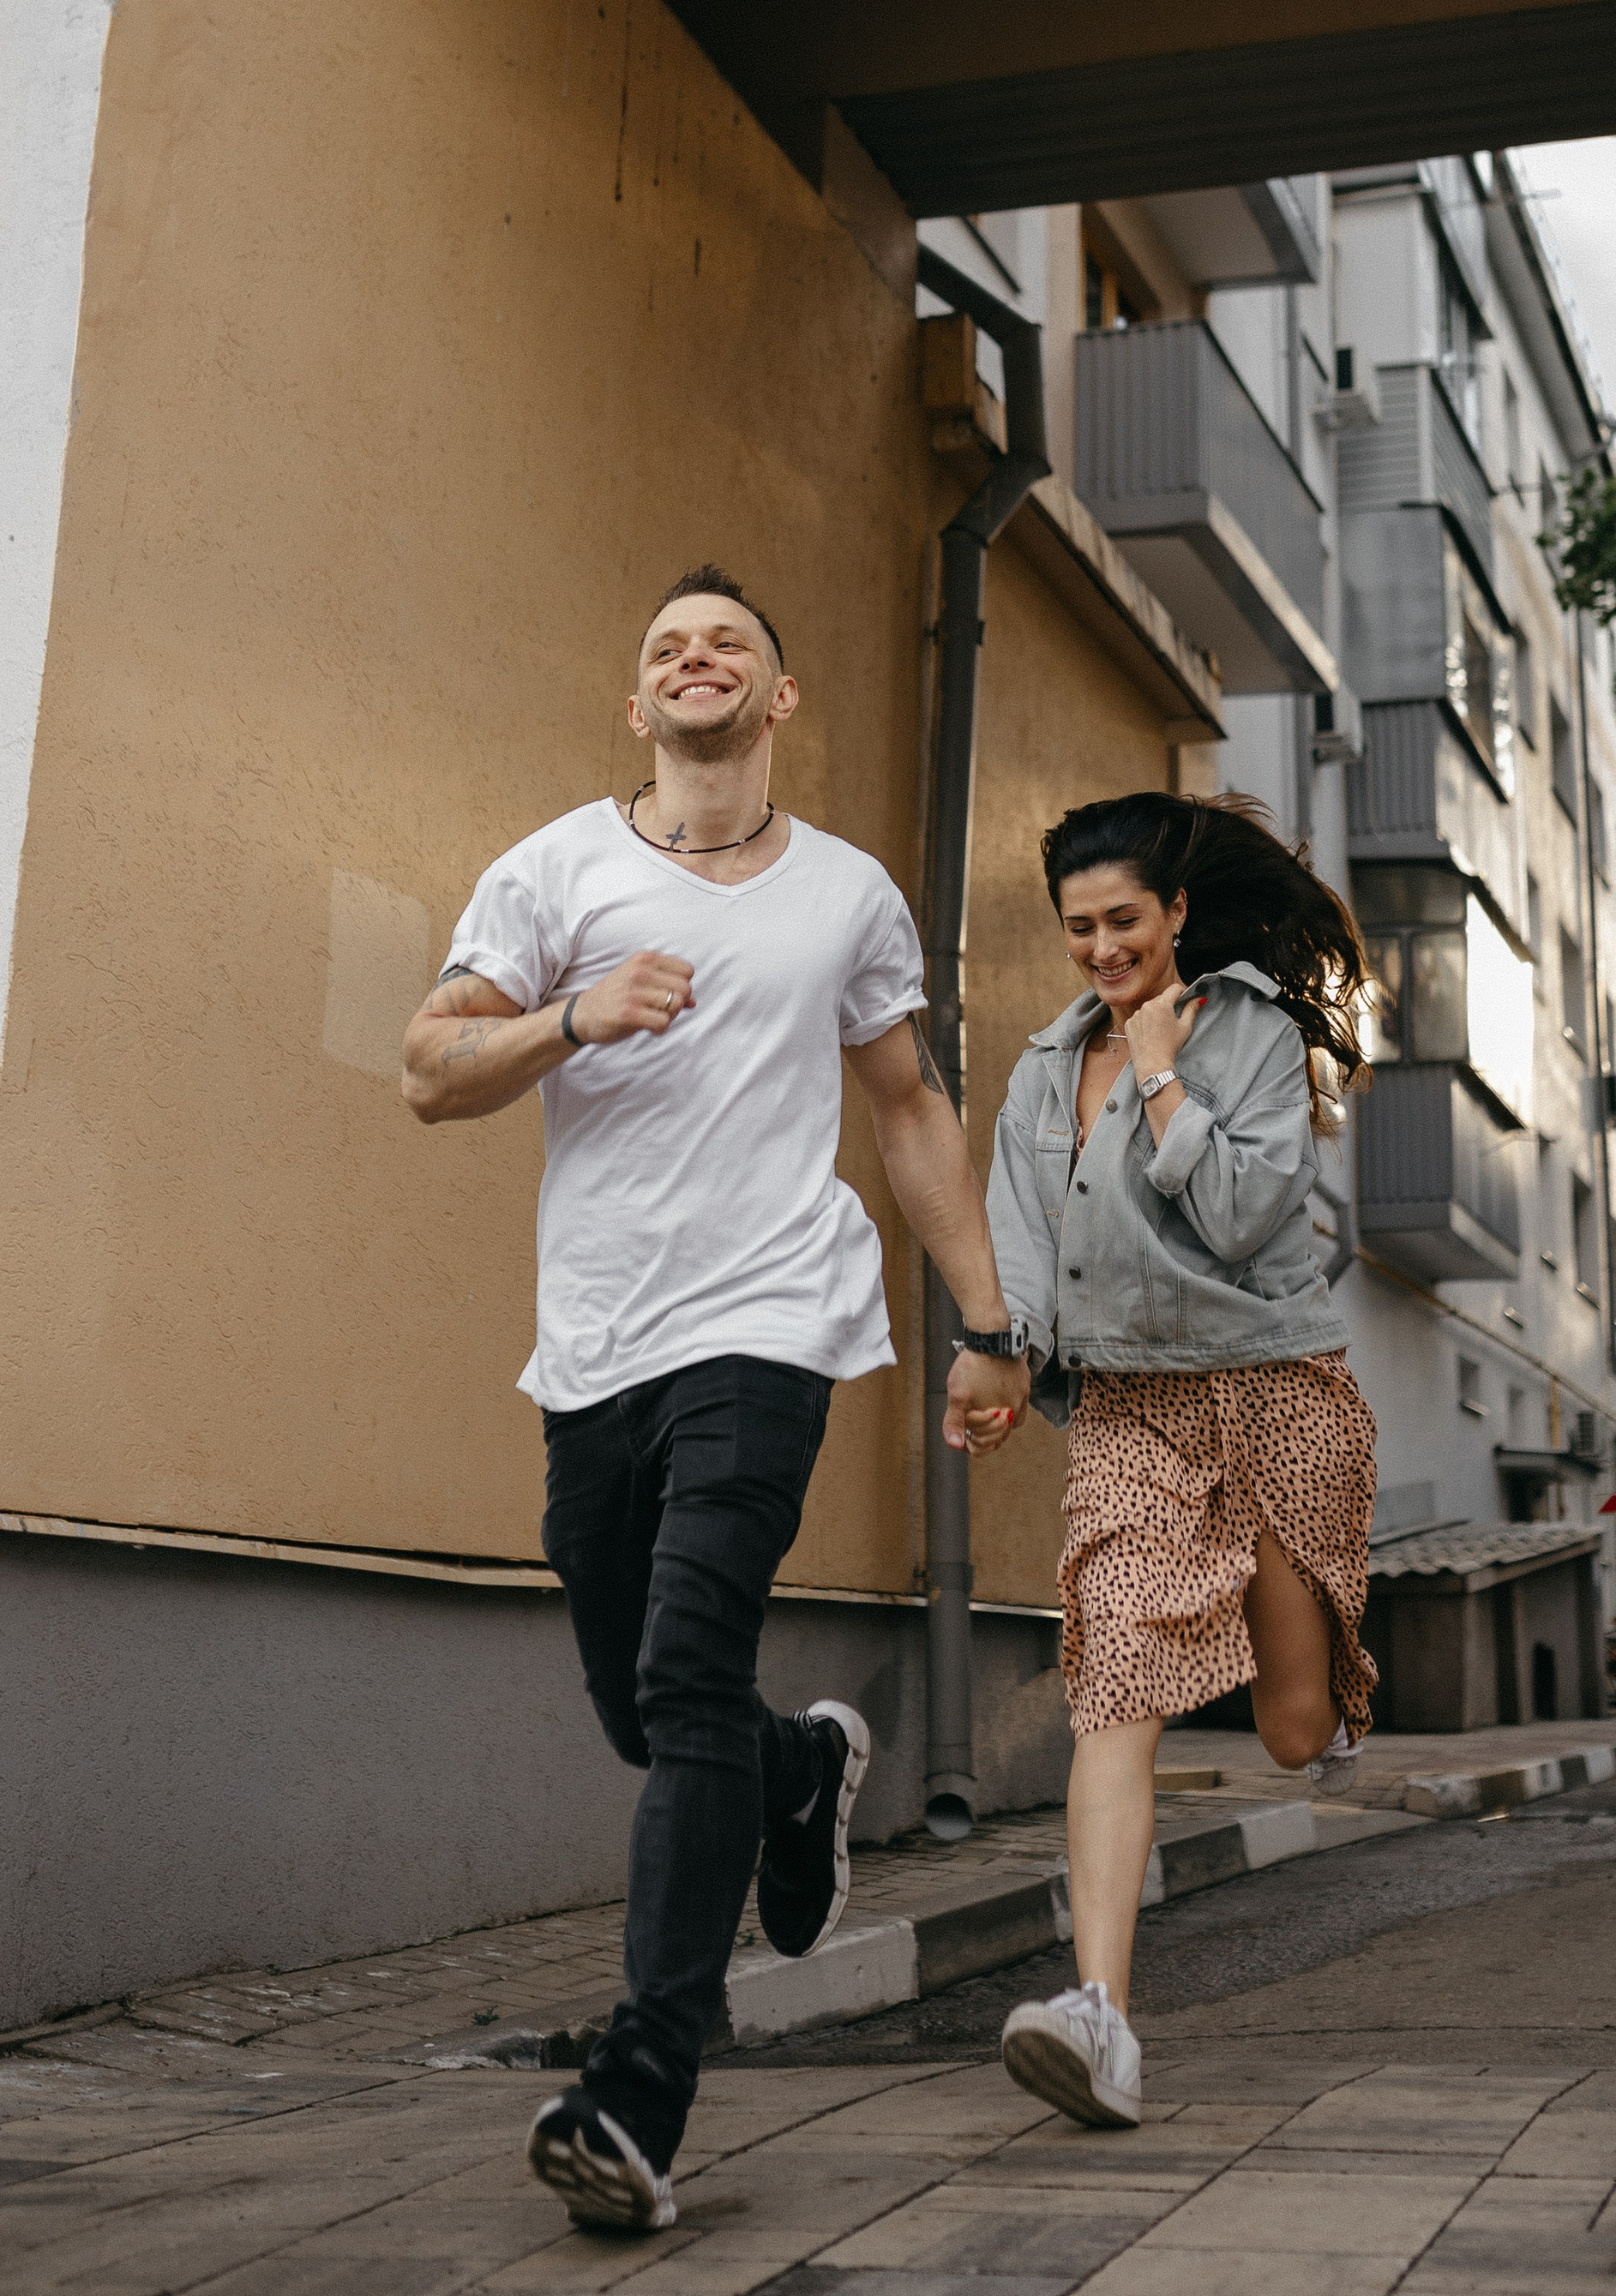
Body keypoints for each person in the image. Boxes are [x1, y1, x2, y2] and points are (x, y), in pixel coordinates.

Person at [401, 563, 1029, 2235]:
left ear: (776, 696)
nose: (695, 660)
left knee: (685, 1660)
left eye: (727, 643)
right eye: (666, 644)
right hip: (595, 1343)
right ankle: (795, 1773)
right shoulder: (555, 870)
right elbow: (423, 1067)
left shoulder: (846, 895)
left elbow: (902, 1107)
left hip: (767, 1322)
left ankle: (641, 2088)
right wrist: (569, 1014)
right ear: (636, 702)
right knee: (640, 1705)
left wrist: (986, 1315)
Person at [973, 790, 1378, 2130]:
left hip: (1271, 1389)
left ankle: (1317, 1706)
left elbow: (1252, 1209)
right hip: (1132, 1413)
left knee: (1293, 1724)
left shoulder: (1251, 1034)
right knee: (1114, 1688)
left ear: (1178, 914)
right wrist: (1003, 1352)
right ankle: (1100, 2019)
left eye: (1124, 920)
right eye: (1079, 926)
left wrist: (1160, 1074)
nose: (1100, 947)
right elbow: (1022, 1244)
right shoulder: (1041, 1070)